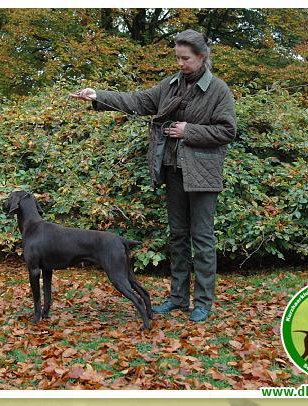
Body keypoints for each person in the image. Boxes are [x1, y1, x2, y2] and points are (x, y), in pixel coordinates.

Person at [70, 29, 236, 322]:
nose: (180, 63)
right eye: (177, 58)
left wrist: (189, 131)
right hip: (173, 171)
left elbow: (227, 131)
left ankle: (202, 302)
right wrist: (98, 96)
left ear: (201, 57)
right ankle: (178, 298)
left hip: (203, 175)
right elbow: (137, 101)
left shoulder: (218, 90)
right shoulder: (170, 85)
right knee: (178, 237)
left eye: (185, 58)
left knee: (202, 240)